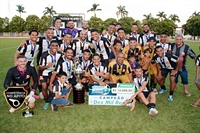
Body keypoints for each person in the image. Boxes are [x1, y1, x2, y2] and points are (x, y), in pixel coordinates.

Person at [39, 40, 62, 109]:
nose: (54, 47)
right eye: (53, 45)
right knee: (44, 86)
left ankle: (51, 99)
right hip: (44, 72)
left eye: (56, 46)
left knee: (54, 85)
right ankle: (47, 100)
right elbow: (40, 68)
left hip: (54, 72)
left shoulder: (60, 54)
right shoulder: (44, 55)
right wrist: (47, 66)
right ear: (49, 47)